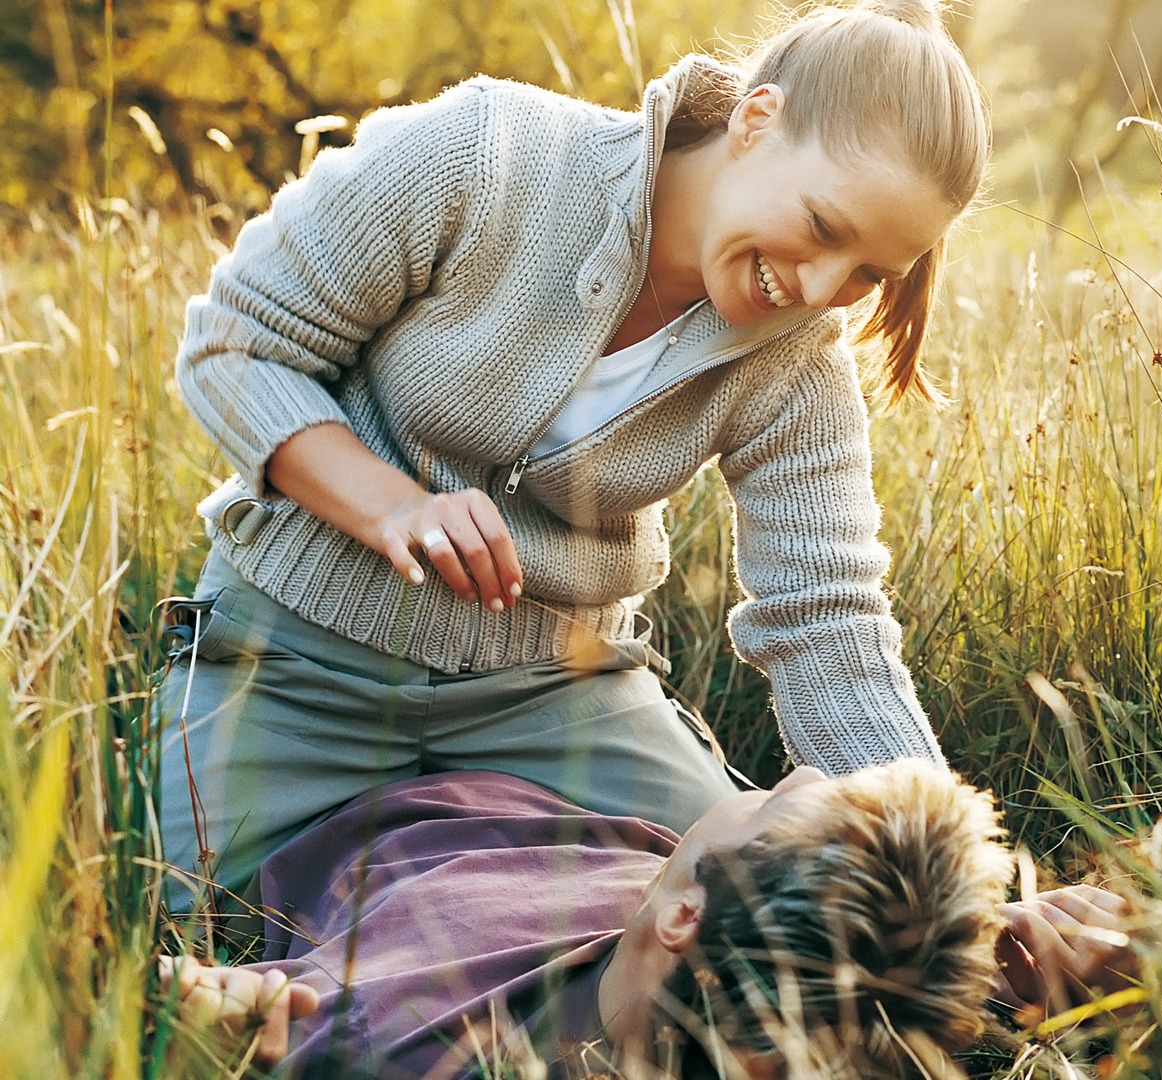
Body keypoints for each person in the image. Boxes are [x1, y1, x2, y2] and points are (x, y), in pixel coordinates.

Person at [157, 0, 988, 921]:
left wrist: (954, 888)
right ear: (756, 121)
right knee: (216, 920)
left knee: (735, 924)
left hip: (557, 699)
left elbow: (828, 618)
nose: (824, 290)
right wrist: (393, 507)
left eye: (872, 273)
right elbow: (234, 345)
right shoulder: (486, 153)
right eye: (826, 228)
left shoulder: (799, 362)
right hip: (297, 667)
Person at [155, 761, 1135, 1078]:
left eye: (767, 802)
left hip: (377, 807)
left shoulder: (390, 1033)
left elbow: (226, 1011)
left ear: (687, 913)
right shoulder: (768, 990)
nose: (791, 771)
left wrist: (218, 1009)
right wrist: (994, 942)